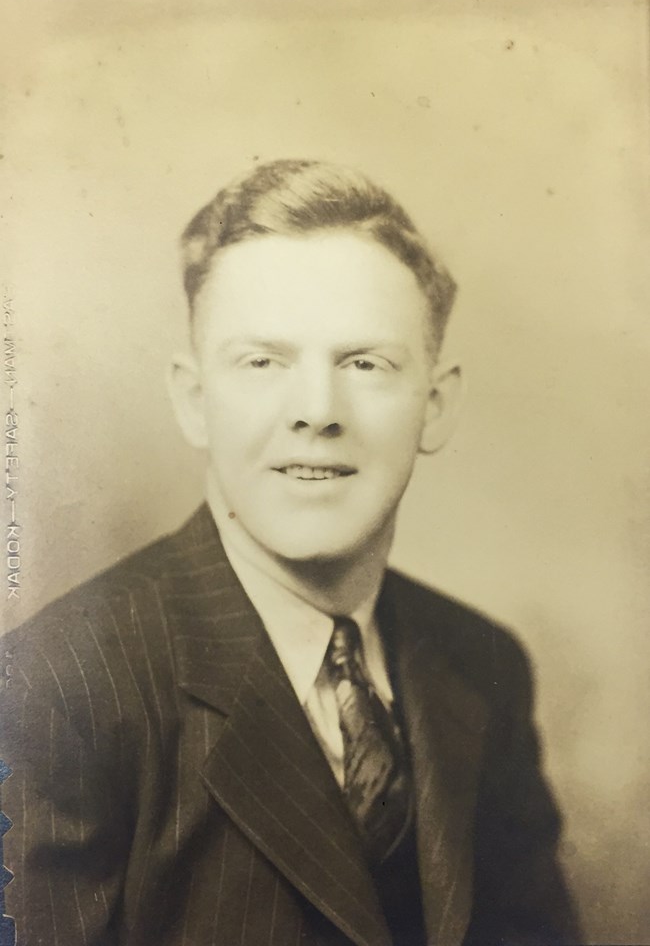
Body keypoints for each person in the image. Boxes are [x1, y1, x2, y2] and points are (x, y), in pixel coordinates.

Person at [0, 159, 582, 946]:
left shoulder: (482, 664)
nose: (316, 410)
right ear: (195, 400)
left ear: (436, 404)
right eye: (263, 362)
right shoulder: (55, 691)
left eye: (365, 363)